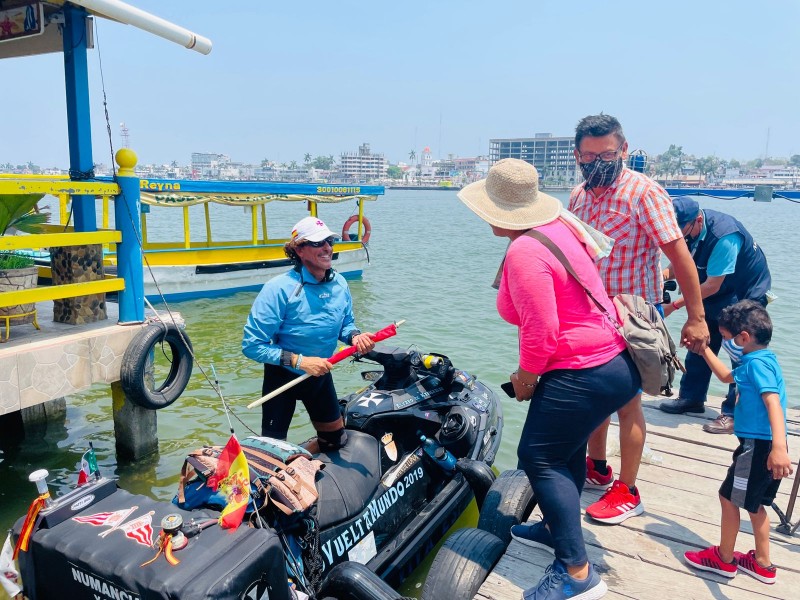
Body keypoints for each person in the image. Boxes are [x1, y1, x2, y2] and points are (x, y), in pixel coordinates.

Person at [458, 158, 641, 600]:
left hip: (582, 369)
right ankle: (557, 526)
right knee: (567, 450)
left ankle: (577, 573)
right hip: (614, 363)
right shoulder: (561, 225)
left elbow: (543, 332)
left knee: (538, 457)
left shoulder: (525, 251)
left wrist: (525, 378)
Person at [568, 114, 710, 524]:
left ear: (624, 150)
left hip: (633, 316)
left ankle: (628, 490)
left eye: (608, 153)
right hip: (592, 313)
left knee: (628, 404)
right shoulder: (578, 196)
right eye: (589, 155)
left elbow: (679, 256)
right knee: (595, 400)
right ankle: (596, 468)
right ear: (577, 155)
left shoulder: (643, 193)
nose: (599, 161)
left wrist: (696, 317)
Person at [241, 216, 375, 451]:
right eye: (317, 243)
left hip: (320, 374)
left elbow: (346, 324)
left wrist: (355, 337)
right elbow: (252, 345)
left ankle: (304, 457)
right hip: (282, 376)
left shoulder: (340, 284)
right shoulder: (278, 288)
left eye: (330, 241)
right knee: (271, 451)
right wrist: (299, 361)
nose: (327, 248)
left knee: (335, 441)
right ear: (299, 250)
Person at [684, 300, 791, 585]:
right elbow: (724, 376)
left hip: (759, 447)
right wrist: (704, 349)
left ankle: (724, 558)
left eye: (729, 339)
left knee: (728, 497)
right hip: (761, 446)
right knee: (755, 504)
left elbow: (773, 405)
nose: (728, 345)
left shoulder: (757, 367)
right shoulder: (761, 360)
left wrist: (779, 447)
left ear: (745, 337)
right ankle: (762, 563)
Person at [659, 198, 772, 436]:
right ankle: (691, 398)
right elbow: (678, 264)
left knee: (739, 353)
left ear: (697, 221)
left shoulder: (724, 236)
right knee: (700, 340)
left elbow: (712, 285)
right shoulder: (688, 228)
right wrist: (658, 279)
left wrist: (675, 306)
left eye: (678, 230)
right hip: (715, 293)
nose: (675, 235)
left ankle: (732, 414)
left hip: (743, 295)